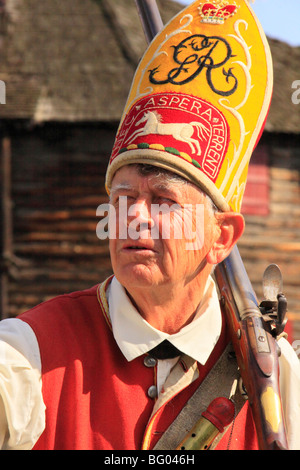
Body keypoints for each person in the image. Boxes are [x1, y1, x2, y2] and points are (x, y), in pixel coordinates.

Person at [0, 0, 300, 450]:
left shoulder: (278, 376)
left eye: (162, 200)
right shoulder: (27, 353)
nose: (134, 217)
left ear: (220, 237)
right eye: (123, 199)